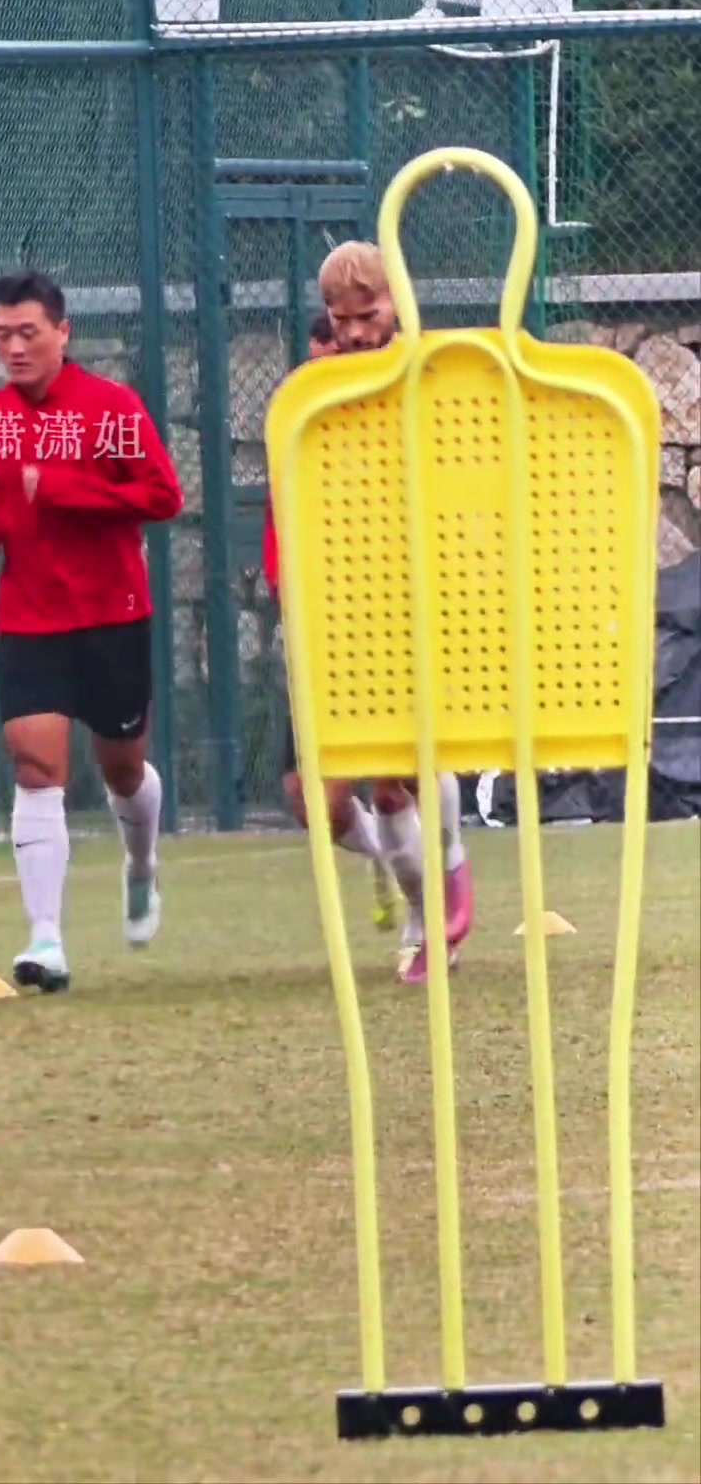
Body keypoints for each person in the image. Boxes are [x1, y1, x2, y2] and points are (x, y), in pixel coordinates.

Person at [0, 270, 184, 994]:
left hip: (114, 616)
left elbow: (163, 496)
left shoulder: (112, 409)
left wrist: (63, 490)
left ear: (64, 332)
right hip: (31, 618)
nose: (14, 348)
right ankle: (46, 939)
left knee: (122, 769)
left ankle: (141, 863)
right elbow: (6, 507)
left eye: (28, 333)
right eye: (2, 335)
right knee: (35, 766)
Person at [314, 241, 474, 984]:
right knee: (380, 781)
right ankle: (430, 912)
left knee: (416, 762)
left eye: (367, 314)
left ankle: (450, 879)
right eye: (338, 318)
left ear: (400, 304)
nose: (352, 332)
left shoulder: (434, 375)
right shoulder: (322, 390)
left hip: (432, 591)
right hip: (355, 599)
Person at [262, 313, 403, 940]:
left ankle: (429, 918)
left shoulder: (395, 421)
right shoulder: (298, 431)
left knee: (397, 785)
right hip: (321, 639)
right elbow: (280, 541)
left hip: (390, 630)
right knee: (311, 801)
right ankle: (388, 864)